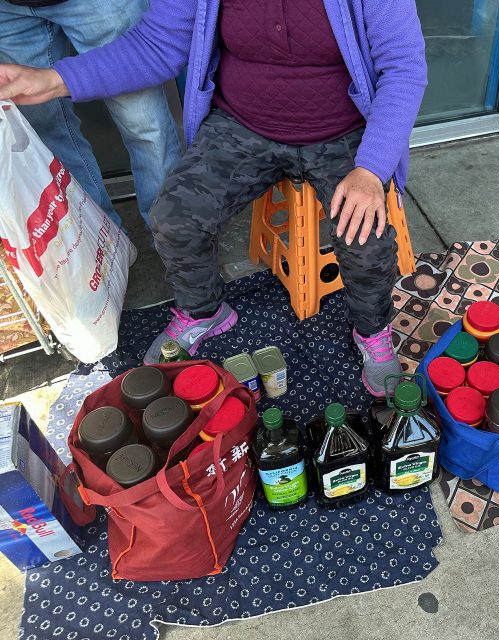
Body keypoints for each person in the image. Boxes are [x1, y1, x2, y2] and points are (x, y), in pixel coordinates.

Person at [0, 0, 427, 397]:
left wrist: (371, 168)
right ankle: (204, 311)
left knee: (365, 238)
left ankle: (372, 331)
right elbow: (156, 46)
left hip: (343, 131)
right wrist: (52, 81)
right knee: (173, 216)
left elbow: (404, 67)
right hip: (243, 126)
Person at [0, 0, 181, 229]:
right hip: (8, 9)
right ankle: (104, 247)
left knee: (145, 124)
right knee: (46, 133)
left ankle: (172, 241)